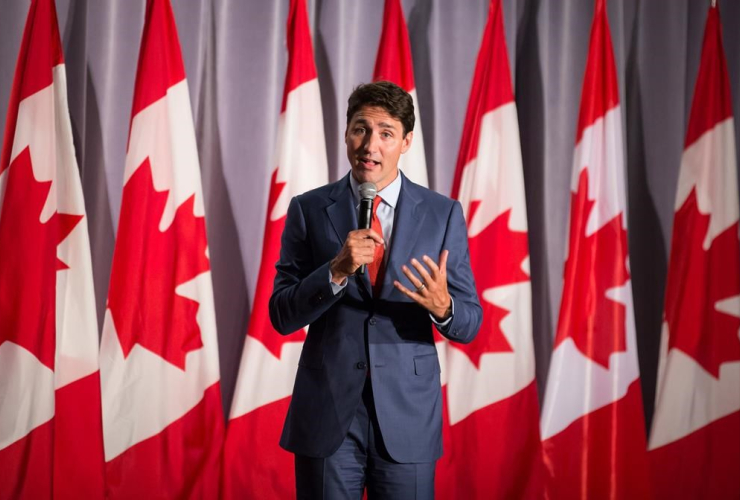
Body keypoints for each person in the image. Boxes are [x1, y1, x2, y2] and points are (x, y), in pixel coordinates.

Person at [269, 80, 482, 499]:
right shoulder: (309, 209)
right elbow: (282, 314)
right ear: (346, 133)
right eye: (360, 129)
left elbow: (470, 322)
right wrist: (335, 270)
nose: (370, 144)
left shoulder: (442, 213)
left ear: (406, 142)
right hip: (328, 412)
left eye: (385, 133)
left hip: (408, 414)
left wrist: (444, 307)